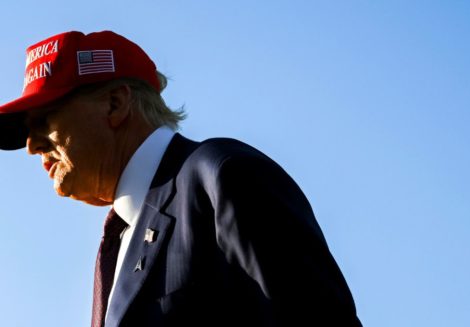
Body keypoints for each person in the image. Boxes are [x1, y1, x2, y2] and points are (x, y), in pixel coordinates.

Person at [0, 31, 361, 326]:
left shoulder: (222, 176)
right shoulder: (120, 237)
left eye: (44, 119)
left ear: (114, 104)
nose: (31, 147)